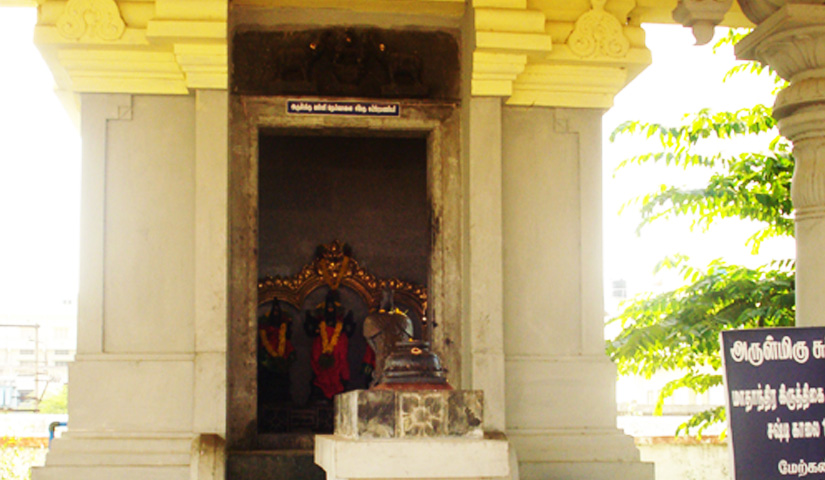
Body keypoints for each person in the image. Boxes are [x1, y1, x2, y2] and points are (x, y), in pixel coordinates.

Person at [304, 290, 356, 399]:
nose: (330, 309)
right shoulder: (320, 326)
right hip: (322, 349)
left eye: (333, 308)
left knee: (340, 363)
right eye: (328, 308)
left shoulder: (340, 328)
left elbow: (346, 338)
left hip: (337, 349)